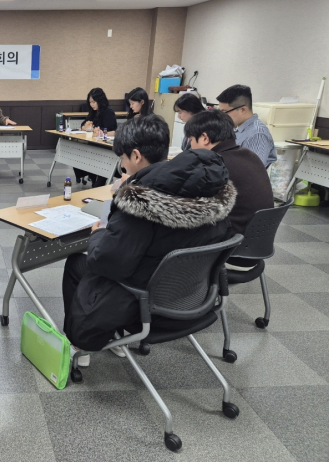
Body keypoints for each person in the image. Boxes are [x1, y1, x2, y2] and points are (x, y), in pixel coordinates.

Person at [61, 115, 235, 362]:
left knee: (76, 264)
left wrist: (98, 234)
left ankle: (82, 342)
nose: (122, 166)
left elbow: (107, 262)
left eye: (122, 159)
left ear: (135, 156)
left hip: (146, 304)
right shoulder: (210, 188)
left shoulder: (139, 202)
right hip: (192, 299)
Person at [185, 109, 274, 234]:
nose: (191, 146)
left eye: (191, 140)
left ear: (204, 138)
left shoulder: (214, 164)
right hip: (258, 233)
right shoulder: (248, 154)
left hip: (233, 235)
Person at [217, 84, 277, 168]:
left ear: (243, 110)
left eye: (224, 112)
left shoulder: (257, 134)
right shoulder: (237, 128)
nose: (222, 116)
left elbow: (253, 170)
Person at [73, 88, 118, 185]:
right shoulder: (93, 111)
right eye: (90, 102)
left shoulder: (108, 112)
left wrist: (94, 129)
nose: (91, 104)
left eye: (94, 102)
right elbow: (83, 124)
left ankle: (94, 178)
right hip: (94, 143)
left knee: (89, 155)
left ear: (100, 101)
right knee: (77, 151)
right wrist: (86, 126)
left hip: (104, 146)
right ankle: (91, 176)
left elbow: (109, 130)